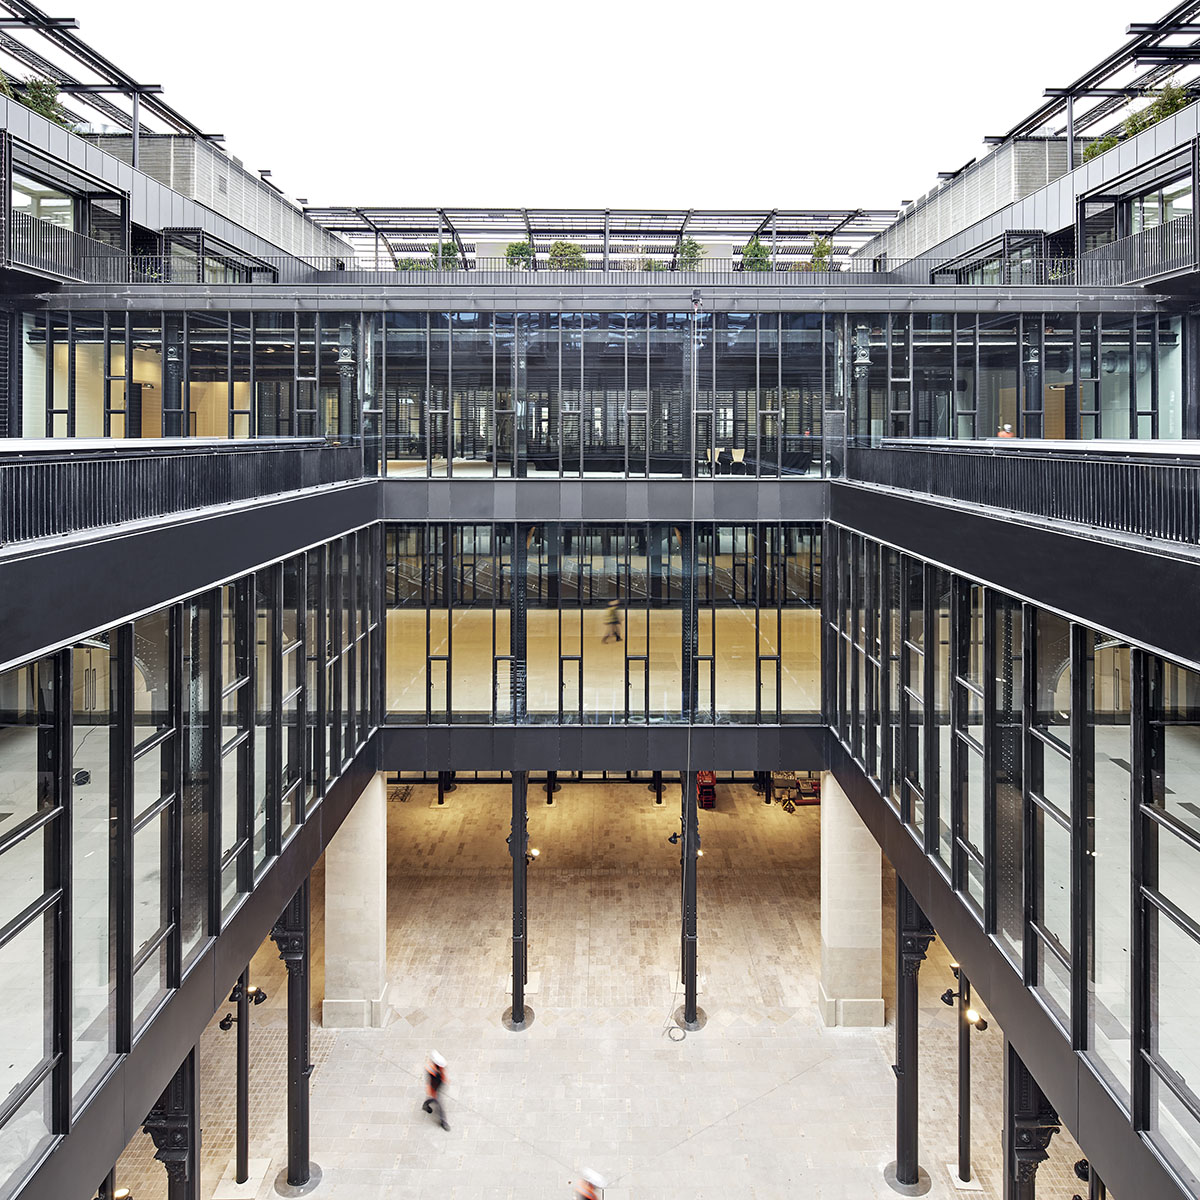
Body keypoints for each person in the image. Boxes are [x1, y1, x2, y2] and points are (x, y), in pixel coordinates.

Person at [422, 1051, 449, 1130]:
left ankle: (425, 1105)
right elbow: (431, 1082)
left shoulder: (439, 1068)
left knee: (432, 1099)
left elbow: (442, 1074)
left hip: (438, 1086)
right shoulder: (432, 1071)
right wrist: (433, 1092)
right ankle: (443, 1121)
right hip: (434, 1089)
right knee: (439, 1104)